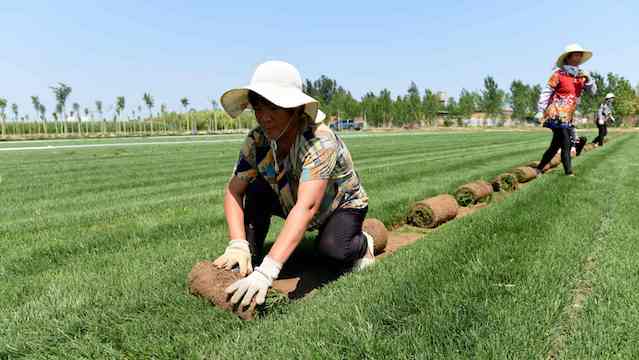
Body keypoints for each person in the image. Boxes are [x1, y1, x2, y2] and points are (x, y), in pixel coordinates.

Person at [213, 61, 375, 307]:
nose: (264, 118)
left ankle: (363, 243)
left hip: (338, 205)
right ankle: (248, 257)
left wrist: (268, 271)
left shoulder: (319, 142)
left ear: (296, 109)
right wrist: (238, 243)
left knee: (333, 251)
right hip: (290, 197)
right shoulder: (257, 141)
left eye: (274, 108)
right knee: (255, 189)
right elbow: (233, 191)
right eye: (258, 108)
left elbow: (307, 207)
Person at [535, 43, 597, 177]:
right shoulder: (558, 74)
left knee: (555, 145)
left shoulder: (581, 76)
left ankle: (538, 169)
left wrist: (589, 78)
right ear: (568, 58)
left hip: (568, 116)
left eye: (580, 55)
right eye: (576, 54)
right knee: (566, 141)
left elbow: (592, 92)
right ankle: (568, 172)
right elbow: (546, 92)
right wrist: (540, 109)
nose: (579, 57)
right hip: (555, 113)